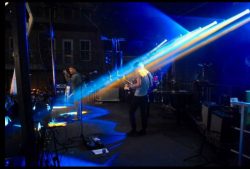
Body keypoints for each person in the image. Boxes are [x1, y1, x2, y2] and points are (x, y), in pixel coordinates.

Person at [127, 62, 153, 136]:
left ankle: (133, 130)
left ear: (137, 67)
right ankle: (144, 130)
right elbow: (151, 84)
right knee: (143, 114)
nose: (135, 70)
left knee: (131, 112)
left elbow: (138, 84)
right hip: (145, 96)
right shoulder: (148, 73)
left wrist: (131, 86)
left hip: (138, 96)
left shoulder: (139, 73)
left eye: (135, 68)